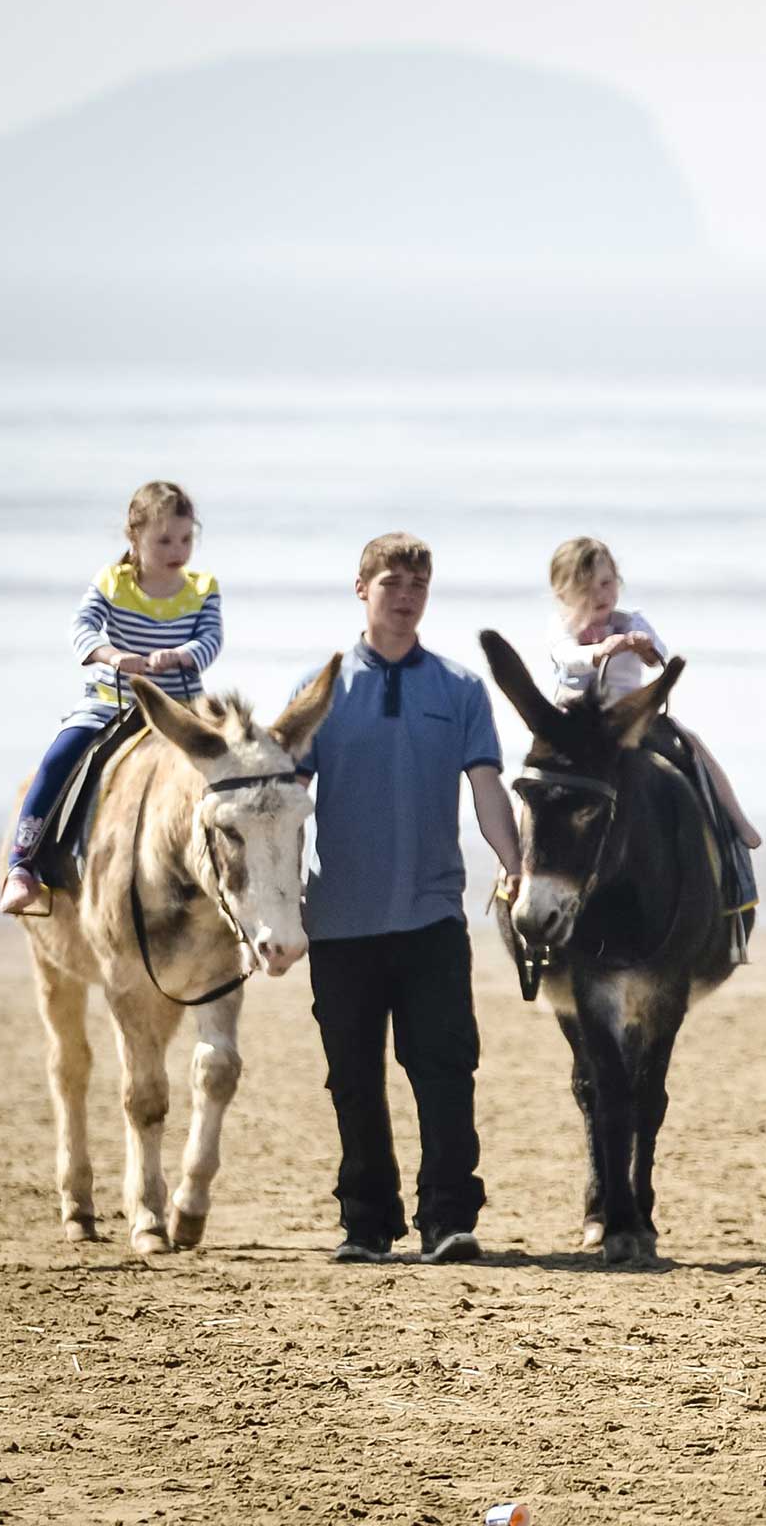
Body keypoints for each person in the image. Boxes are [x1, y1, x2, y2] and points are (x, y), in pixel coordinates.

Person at [300, 532, 523, 1266]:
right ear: (360, 588)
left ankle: (448, 1220)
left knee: (445, 1070)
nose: (405, 595)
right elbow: (277, 802)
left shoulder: (459, 689)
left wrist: (512, 862)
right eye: (392, 581)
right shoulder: (321, 690)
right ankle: (366, 1223)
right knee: (353, 1080)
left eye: (418, 585)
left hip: (432, 917)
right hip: (340, 921)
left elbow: (487, 788)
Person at [0, 481, 222, 914]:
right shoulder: (113, 581)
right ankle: (22, 866)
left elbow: (211, 639)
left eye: (185, 538)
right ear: (134, 537)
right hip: (112, 700)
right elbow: (81, 626)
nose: (177, 549)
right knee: (58, 759)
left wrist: (180, 655)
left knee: (241, 763)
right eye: (164, 540)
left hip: (181, 708)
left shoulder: (202, 587)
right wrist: (113, 655)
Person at [546, 536, 761, 849]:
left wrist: (644, 648)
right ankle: (514, 858)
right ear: (562, 594)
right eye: (585, 588)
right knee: (538, 776)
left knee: (692, 745)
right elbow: (567, 656)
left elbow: (659, 652)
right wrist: (601, 650)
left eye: (606, 584)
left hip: (631, 715)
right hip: (575, 718)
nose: (599, 595)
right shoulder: (561, 627)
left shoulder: (630, 621)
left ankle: (733, 818)